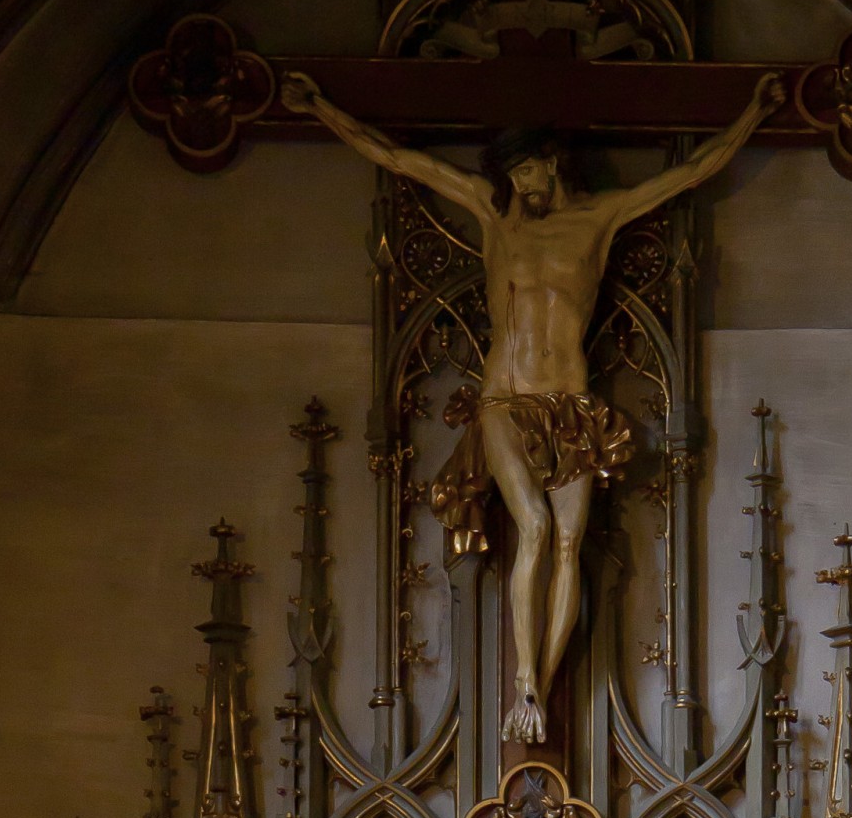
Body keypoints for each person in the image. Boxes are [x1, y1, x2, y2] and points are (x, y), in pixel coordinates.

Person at [282, 70, 781, 741]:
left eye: (527, 167)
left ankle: (537, 691)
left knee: (571, 542)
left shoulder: (598, 217)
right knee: (537, 529)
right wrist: (318, 106)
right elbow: (401, 160)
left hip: (572, 405)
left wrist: (754, 111)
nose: (520, 182)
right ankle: (523, 681)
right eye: (510, 172)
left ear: (552, 160)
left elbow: (691, 171)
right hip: (503, 400)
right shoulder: (493, 218)